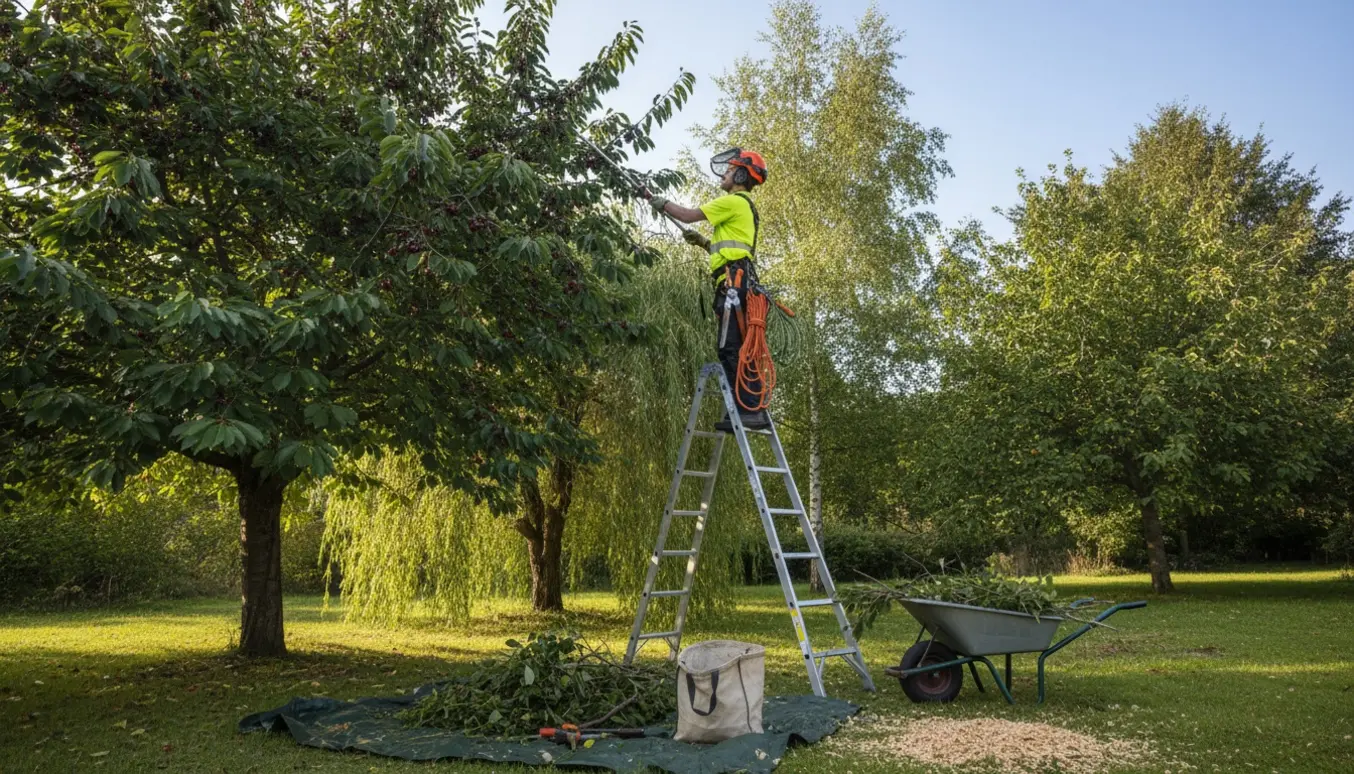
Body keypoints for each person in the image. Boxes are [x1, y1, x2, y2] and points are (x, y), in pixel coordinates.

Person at [649, 148, 770, 431]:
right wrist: (705, 243)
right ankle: (747, 408)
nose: (724, 175)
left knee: (730, 347)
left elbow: (690, 215)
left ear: (740, 175)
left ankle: (749, 409)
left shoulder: (735, 201)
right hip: (735, 279)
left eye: (729, 171)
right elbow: (734, 247)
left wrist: (662, 202)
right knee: (736, 347)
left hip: (733, 283)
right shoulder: (743, 207)